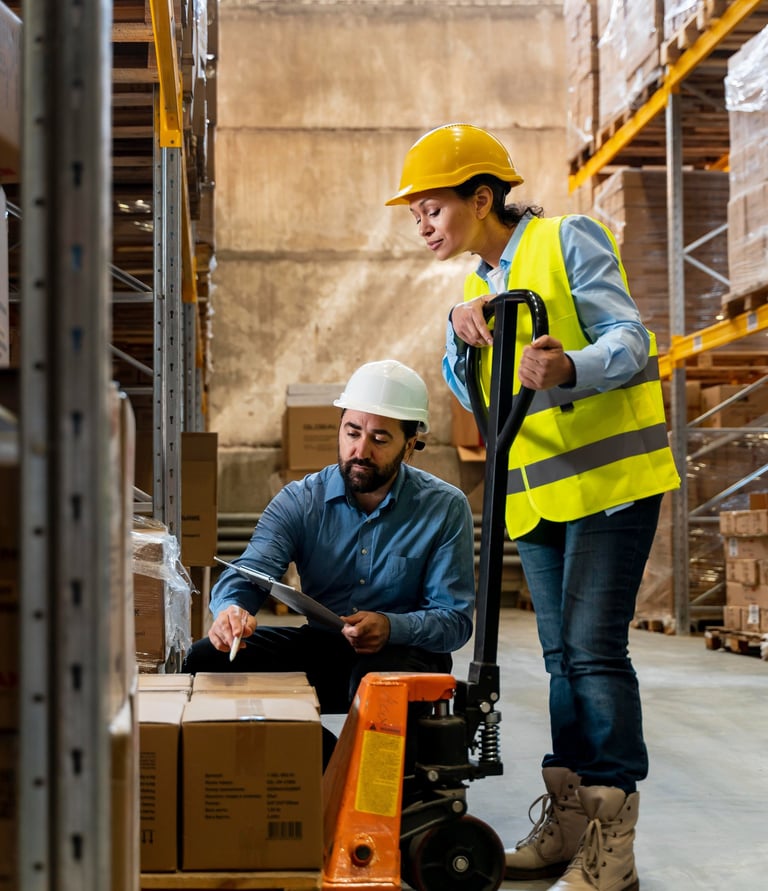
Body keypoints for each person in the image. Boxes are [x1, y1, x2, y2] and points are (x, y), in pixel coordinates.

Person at [386, 124, 680, 891]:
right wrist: (456, 333)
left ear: (482, 198)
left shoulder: (566, 240)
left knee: (591, 651)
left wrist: (571, 364)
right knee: (557, 660)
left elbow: (632, 339)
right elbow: (473, 394)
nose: (422, 225)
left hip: (612, 487)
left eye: (431, 208)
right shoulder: (478, 288)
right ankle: (570, 822)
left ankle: (613, 843)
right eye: (414, 214)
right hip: (540, 496)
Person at [183, 358, 476, 763]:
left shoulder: (444, 508)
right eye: (352, 432)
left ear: (410, 445)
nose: (361, 450)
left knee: (375, 681)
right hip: (326, 648)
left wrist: (391, 627)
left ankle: (369, 786)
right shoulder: (300, 501)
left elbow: (455, 621)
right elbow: (250, 574)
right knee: (205, 659)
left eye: (380, 439)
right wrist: (231, 610)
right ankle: (325, 769)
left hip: (405, 655)